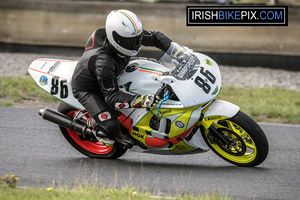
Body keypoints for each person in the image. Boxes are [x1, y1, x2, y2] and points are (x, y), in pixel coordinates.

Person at [71, 9, 186, 147]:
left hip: (115, 70)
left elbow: (155, 37)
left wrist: (179, 52)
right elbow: (111, 97)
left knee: (155, 68)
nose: (136, 44)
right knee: (111, 126)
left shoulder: (128, 36)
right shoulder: (104, 62)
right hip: (89, 88)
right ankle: (95, 125)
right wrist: (141, 99)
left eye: (137, 38)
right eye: (131, 41)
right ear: (116, 38)